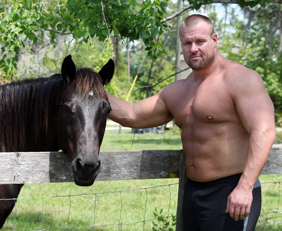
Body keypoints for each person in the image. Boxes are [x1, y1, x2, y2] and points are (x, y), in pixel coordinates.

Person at [106, 14, 276, 231]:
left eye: (200, 41)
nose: (193, 48)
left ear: (214, 40)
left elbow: (264, 130)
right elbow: (132, 114)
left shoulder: (241, 79)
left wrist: (245, 187)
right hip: (193, 192)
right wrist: (89, 87)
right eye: (187, 43)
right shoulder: (178, 92)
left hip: (231, 192)